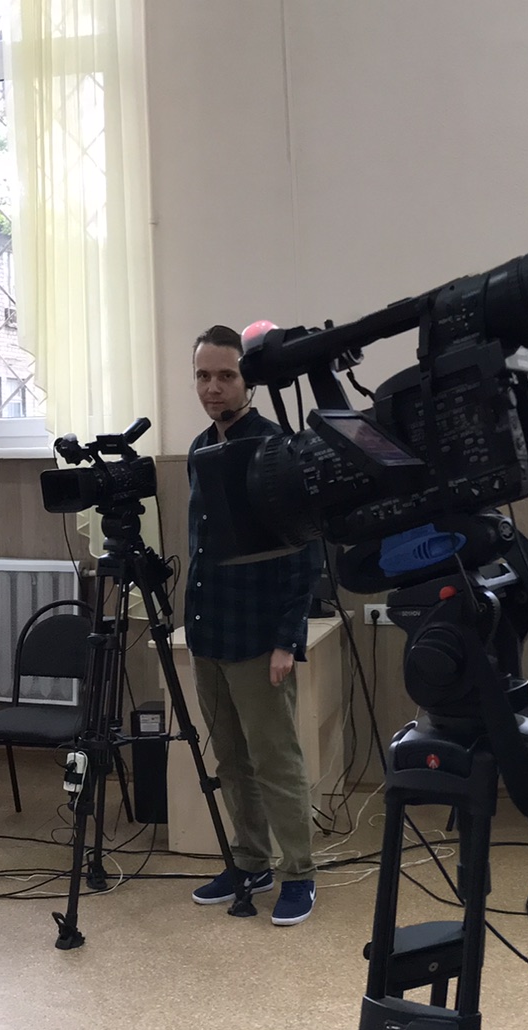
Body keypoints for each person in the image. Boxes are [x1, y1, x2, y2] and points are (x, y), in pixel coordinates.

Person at [182, 323, 329, 927]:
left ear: (248, 380)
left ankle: (299, 872)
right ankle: (250, 861)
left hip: (259, 636)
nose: (213, 388)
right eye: (203, 376)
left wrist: (287, 640)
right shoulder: (198, 448)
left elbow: (305, 554)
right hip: (208, 631)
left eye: (226, 375)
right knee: (231, 760)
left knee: (275, 758)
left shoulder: (276, 448)